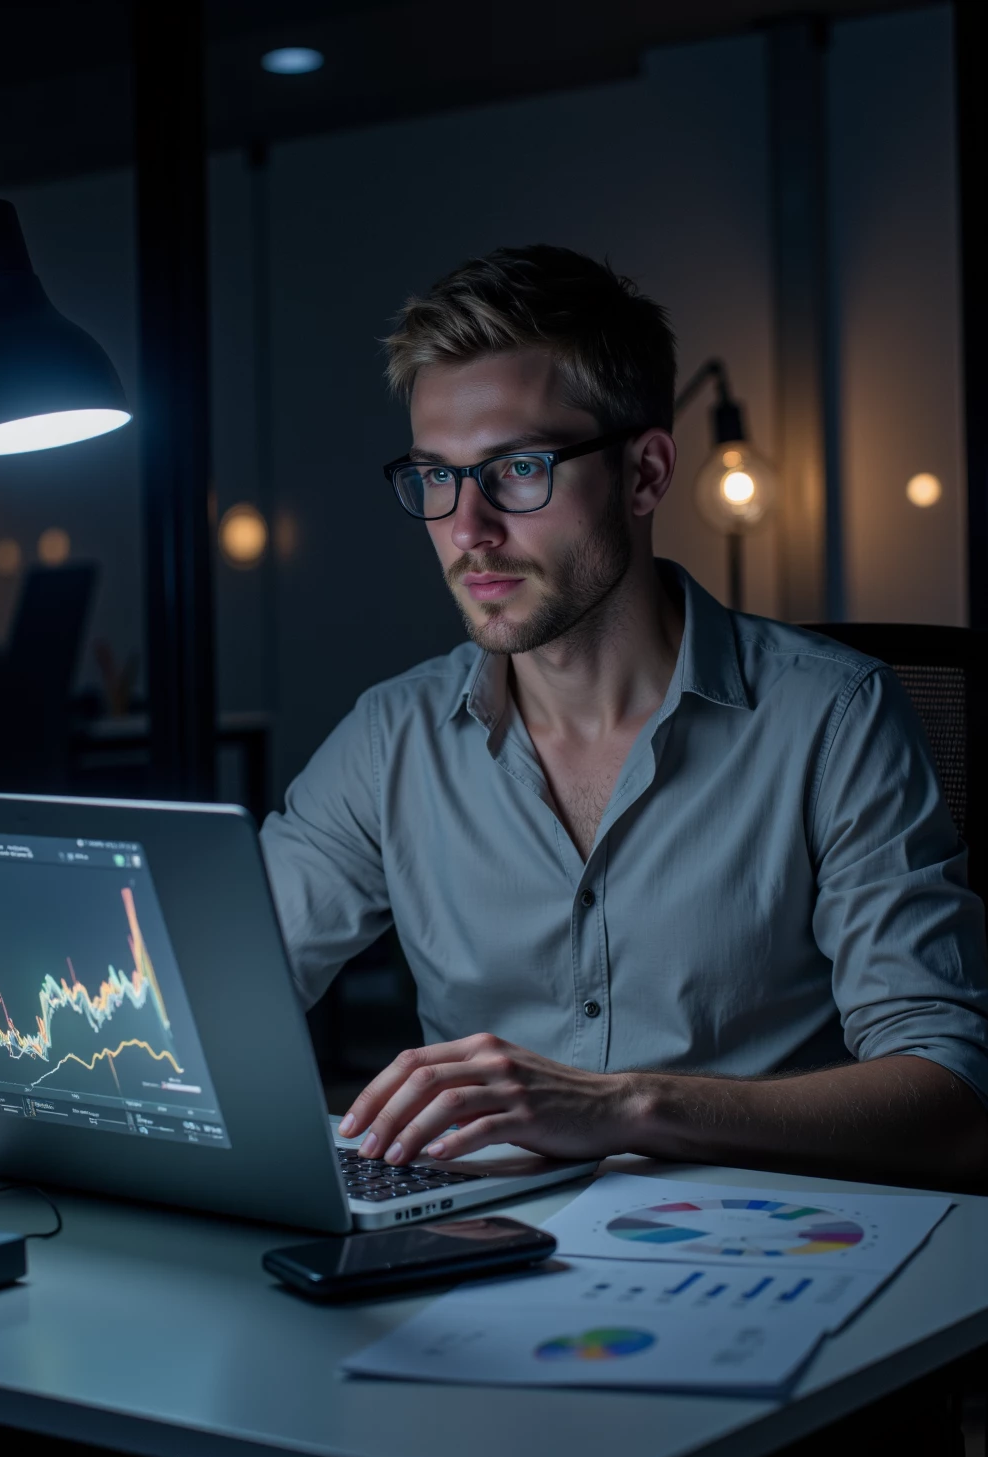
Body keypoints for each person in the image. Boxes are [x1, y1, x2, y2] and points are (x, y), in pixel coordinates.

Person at [261, 243, 988, 1197]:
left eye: (518, 470)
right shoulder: (388, 738)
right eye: (436, 477)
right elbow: (201, 1002)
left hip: (766, 1256)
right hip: (480, 1261)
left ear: (644, 475)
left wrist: (621, 1106)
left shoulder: (834, 715)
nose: (469, 528)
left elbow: (954, 1102)